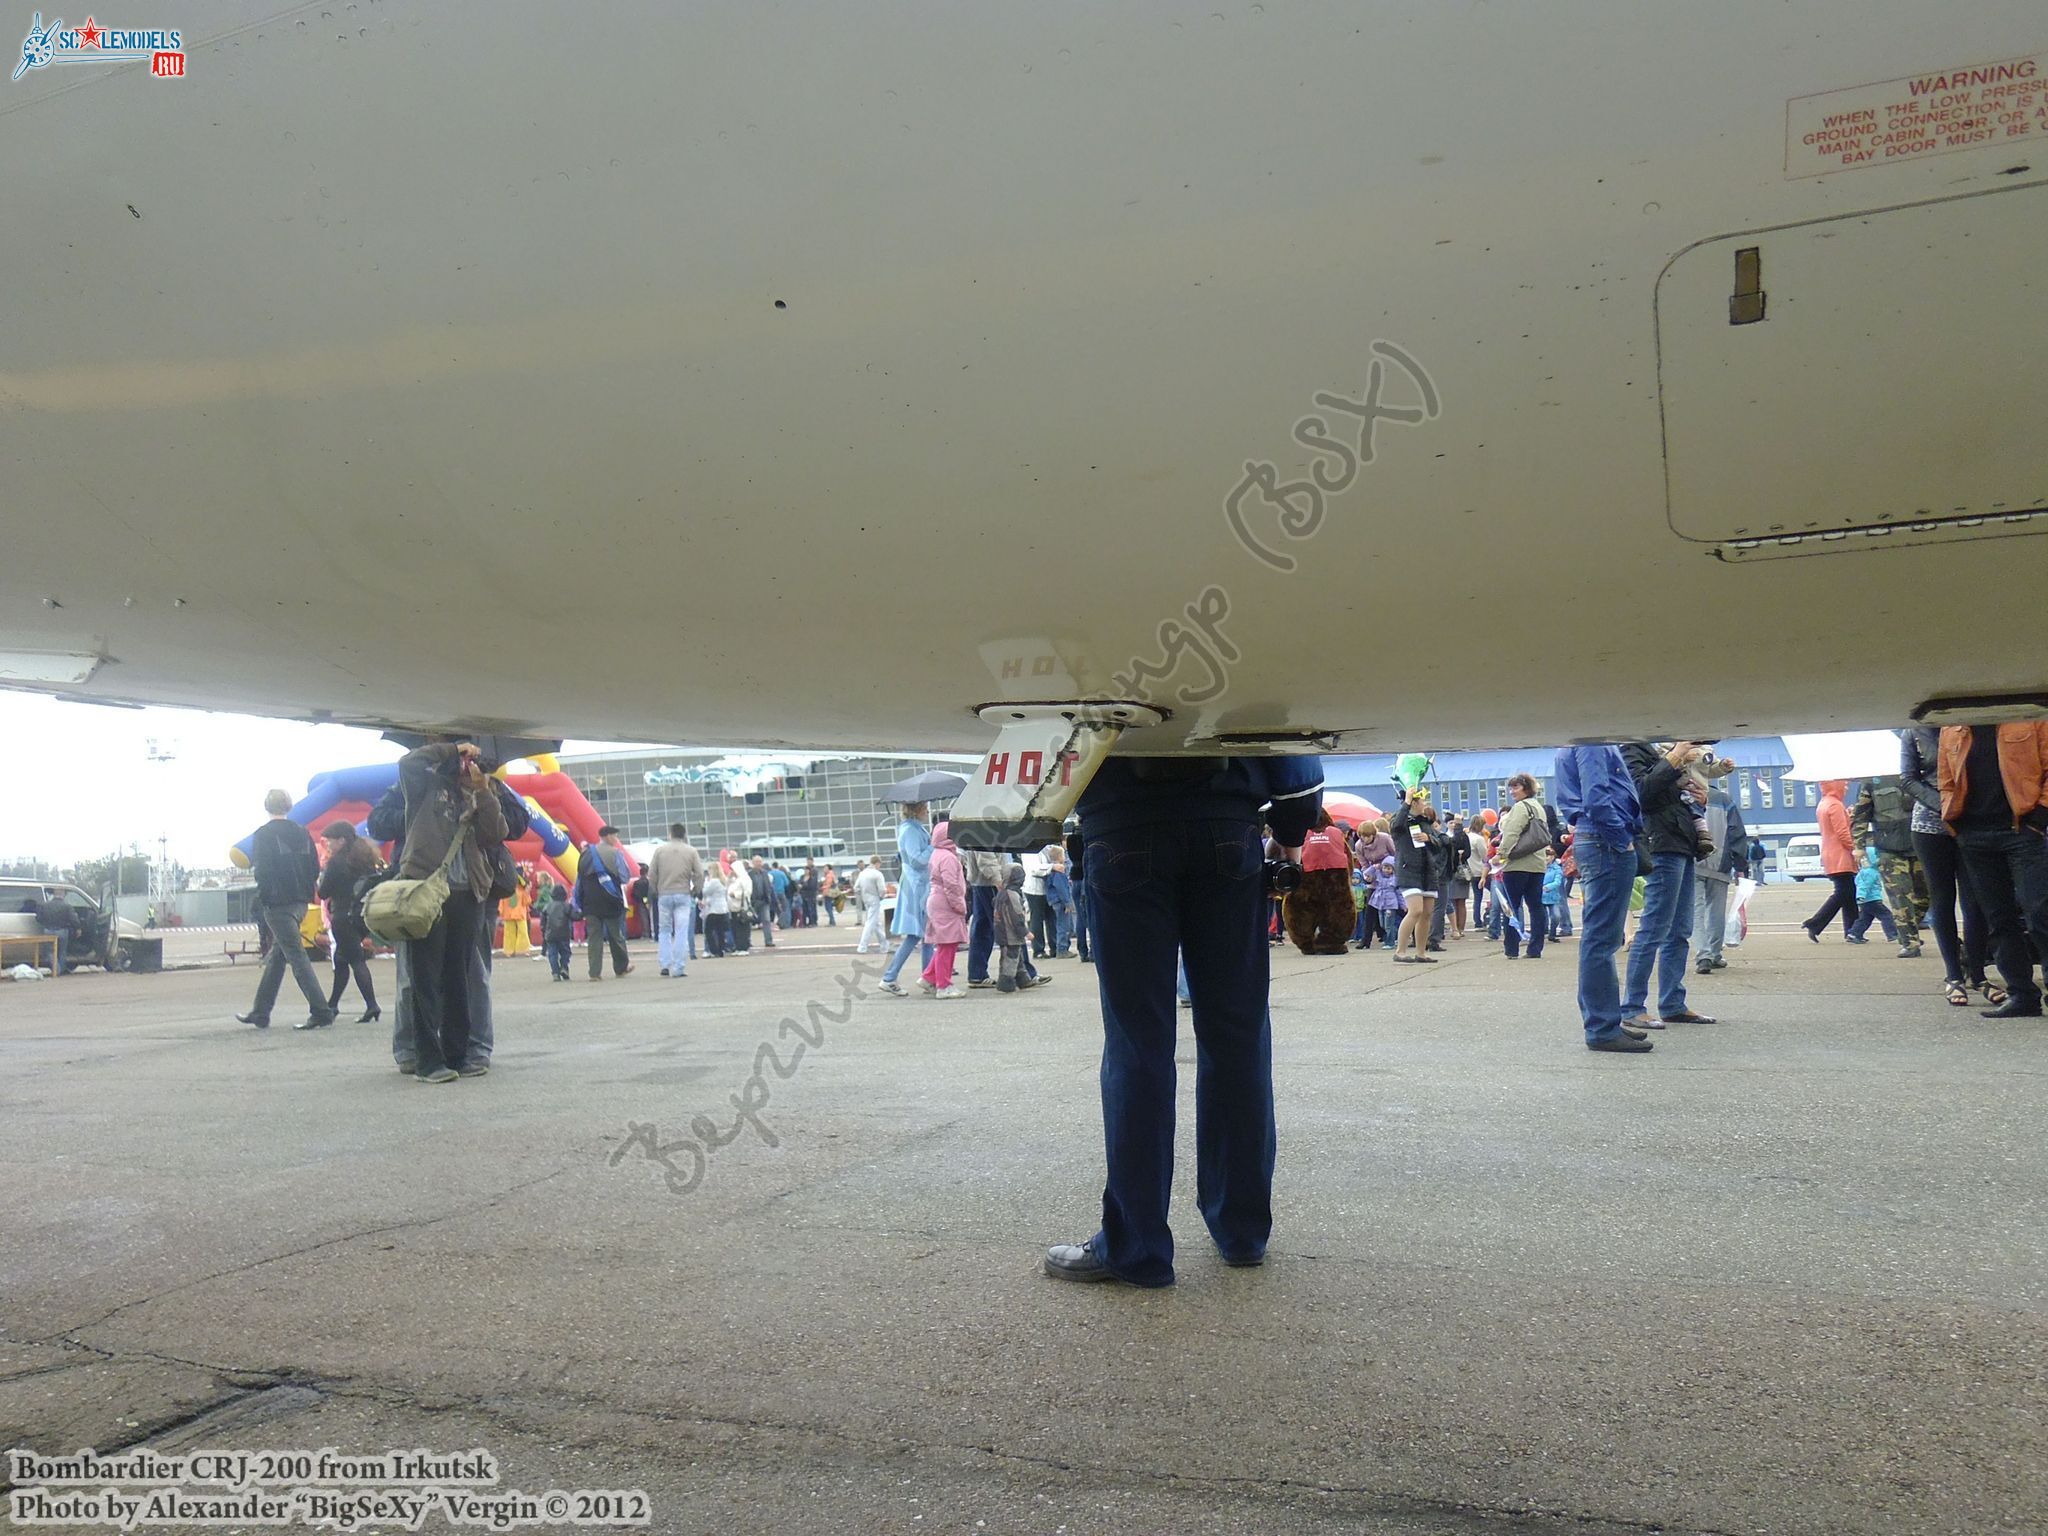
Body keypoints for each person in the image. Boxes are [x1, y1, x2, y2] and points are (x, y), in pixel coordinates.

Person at [1042, 754, 1323, 1287]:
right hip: (1227, 825)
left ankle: (1136, 1246)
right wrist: (1290, 833)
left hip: (1120, 822)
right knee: (1237, 1035)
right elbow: (1286, 736)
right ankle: (1241, 1230)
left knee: (1136, 1042)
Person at [366, 750, 528, 1075]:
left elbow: (497, 831)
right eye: (465, 762)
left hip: (468, 892)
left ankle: (457, 1055)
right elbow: (406, 764)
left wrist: (483, 790)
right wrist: (452, 750)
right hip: (426, 891)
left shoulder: (483, 791)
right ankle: (427, 1059)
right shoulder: (422, 786)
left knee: (460, 978)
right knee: (422, 977)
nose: (468, 767)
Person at [1939, 722, 2048, 1019]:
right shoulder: (1952, 728)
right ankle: (2022, 994)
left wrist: (2040, 817)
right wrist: (1956, 824)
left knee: (2039, 913)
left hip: (2023, 830)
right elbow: (1946, 779)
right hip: (1974, 836)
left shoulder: (2028, 718)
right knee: (1999, 920)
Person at [1554, 744, 1653, 1053]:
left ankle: (1604, 1020)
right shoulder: (1592, 741)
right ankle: (1601, 1026)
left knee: (1600, 937)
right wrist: (1621, 838)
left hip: (1596, 838)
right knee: (1601, 939)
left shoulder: (1575, 743)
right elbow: (1597, 797)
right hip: (1605, 841)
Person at [1619, 742, 1718, 1030]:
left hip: (1681, 842)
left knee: (1678, 930)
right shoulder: (1632, 749)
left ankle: (1673, 1003)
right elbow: (1641, 793)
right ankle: (1633, 1006)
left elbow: (1670, 795)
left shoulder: (1659, 752)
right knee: (1654, 928)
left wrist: (1698, 800)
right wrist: (1675, 757)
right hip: (1662, 844)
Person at [1900, 727, 1993, 1008]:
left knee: (1975, 902)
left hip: (1969, 821)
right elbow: (1908, 779)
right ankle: (1954, 976)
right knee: (1942, 900)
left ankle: (1978, 974)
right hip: (1929, 825)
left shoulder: (1967, 727)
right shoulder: (1913, 732)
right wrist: (1943, 804)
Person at [235, 789, 336, 1030]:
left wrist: (266, 899)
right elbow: (314, 867)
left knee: (296, 956)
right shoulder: (302, 832)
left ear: (266, 807)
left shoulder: (263, 835)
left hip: (277, 903)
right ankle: (260, 1011)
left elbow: (262, 871)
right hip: (300, 901)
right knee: (278, 957)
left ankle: (320, 1010)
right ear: (289, 806)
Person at [1850, 773, 1926, 959]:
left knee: (1924, 896)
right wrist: (1858, 846)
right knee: (1900, 896)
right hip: (1889, 849)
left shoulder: (1920, 774)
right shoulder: (1871, 781)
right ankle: (1910, 942)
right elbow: (1860, 816)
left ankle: (1906, 929)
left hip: (1920, 845)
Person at [317, 822, 382, 1022]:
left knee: (355, 960)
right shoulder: (365, 858)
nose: (328, 846)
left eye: (330, 841)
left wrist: (320, 880)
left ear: (341, 840)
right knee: (341, 960)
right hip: (362, 915)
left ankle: (372, 1005)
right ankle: (332, 1005)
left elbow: (323, 892)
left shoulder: (336, 863)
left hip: (342, 916)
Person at [1494, 774, 1551, 960]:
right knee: (1536, 906)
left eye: (1515, 787)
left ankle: (1511, 948)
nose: (1512, 792)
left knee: (1512, 906)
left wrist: (1500, 855)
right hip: (1537, 864)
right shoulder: (1538, 807)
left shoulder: (1520, 808)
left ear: (1525, 788)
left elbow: (1511, 833)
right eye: (1510, 788)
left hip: (1517, 864)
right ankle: (1535, 948)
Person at [877, 803, 933, 996]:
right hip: (915, 885)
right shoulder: (910, 830)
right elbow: (916, 860)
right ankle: (891, 977)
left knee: (923, 934)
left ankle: (926, 977)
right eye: (925, 808)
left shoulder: (913, 828)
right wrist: (933, 847)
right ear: (916, 809)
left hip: (917, 884)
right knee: (918, 934)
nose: (927, 811)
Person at [1693, 783, 1749, 974]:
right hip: (1720, 862)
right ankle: (1715, 953)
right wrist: (1741, 865)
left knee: (1696, 911)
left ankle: (1703, 954)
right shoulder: (1724, 800)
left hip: (1692, 862)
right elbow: (1737, 834)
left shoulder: (1683, 793)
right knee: (1716, 911)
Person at [1283, 809, 1355, 955]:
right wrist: (1349, 878)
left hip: (1306, 878)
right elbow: (1348, 858)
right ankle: (1332, 942)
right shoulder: (1336, 833)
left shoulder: (1299, 835)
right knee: (1338, 909)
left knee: (1301, 910)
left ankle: (1305, 942)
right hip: (1336, 878)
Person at [1387, 790, 1445, 963]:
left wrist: (1429, 838)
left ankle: (1421, 952)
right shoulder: (1401, 819)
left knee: (1427, 913)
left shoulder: (1425, 823)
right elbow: (1396, 827)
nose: (1425, 805)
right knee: (1415, 910)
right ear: (1413, 803)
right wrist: (1406, 803)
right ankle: (1400, 951)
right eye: (1422, 802)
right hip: (1408, 870)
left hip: (1428, 872)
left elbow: (1439, 845)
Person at [1800, 780, 1861, 943]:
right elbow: (1842, 833)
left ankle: (1853, 930)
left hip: (1830, 853)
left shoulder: (1824, 803)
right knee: (1844, 893)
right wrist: (1854, 848)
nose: (1846, 787)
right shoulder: (1835, 805)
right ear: (1836, 786)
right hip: (1840, 855)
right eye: (1844, 784)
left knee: (1848, 894)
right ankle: (1816, 923)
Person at [918, 819, 969, 999]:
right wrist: (960, 905)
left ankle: (929, 977)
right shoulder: (948, 857)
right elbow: (951, 885)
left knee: (944, 944)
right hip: (946, 903)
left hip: (937, 901)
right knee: (948, 945)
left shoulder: (937, 853)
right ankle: (944, 985)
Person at [576, 827, 634, 980]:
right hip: (611, 900)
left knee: (594, 937)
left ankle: (594, 973)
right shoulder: (615, 853)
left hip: (590, 902)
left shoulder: (586, 853)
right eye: (614, 836)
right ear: (607, 836)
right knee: (616, 935)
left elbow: (579, 879)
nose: (615, 839)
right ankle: (621, 968)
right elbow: (624, 877)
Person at [649, 823, 705, 979]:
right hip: (683, 893)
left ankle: (664, 964)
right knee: (681, 931)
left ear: (670, 834)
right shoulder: (691, 851)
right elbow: (699, 873)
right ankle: (679, 967)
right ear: (684, 835)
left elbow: (652, 873)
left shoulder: (660, 851)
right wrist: (696, 889)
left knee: (664, 930)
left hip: (664, 894)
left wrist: (655, 889)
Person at [964, 846, 1007, 987]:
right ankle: (1021, 972)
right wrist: (998, 880)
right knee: (1007, 926)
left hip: (980, 881)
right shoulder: (984, 829)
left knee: (982, 928)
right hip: (990, 882)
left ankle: (977, 974)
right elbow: (985, 856)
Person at [1845, 847, 1898, 944]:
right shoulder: (1870, 872)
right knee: (1886, 915)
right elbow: (1863, 886)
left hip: (1868, 900)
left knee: (1865, 918)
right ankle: (1892, 934)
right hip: (1871, 900)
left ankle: (1854, 934)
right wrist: (1860, 896)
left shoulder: (1868, 871)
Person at [994, 863, 1032, 991]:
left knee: (1016, 955)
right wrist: (1025, 932)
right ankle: (1006, 982)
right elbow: (1017, 916)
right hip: (1010, 933)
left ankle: (1022, 978)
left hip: (1002, 931)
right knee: (1011, 957)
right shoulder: (1013, 895)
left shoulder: (1002, 893)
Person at [1045, 846, 1078, 957]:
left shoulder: (1052, 871)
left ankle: (1063, 948)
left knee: (1062, 924)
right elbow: (1062, 888)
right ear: (1060, 857)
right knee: (1064, 925)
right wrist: (1068, 903)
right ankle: (1062, 949)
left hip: (1055, 900)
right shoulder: (1059, 872)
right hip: (1060, 901)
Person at [697, 859, 731, 958]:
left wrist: (705, 884)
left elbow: (705, 892)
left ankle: (713, 949)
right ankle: (720, 950)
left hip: (714, 909)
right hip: (723, 908)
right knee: (720, 931)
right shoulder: (723, 880)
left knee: (708, 930)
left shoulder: (714, 881)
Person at [854, 855, 888, 954]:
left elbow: (856, 888)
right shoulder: (878, 874)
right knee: (870, 923)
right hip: (875, 900)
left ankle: (884, 945)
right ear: (877, 863)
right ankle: (862, 946)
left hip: (866, 900)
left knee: (876, 923)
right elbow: (882, 890)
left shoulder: (862, 873)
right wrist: (882, 896)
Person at [1022, 847, 1053, 959]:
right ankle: (1038, 949)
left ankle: (1054, 947)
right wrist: (1052, 867)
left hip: (1047, 889)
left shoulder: (1046, 848)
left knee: (1052, 919)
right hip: (1033, 890)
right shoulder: (1029, 851)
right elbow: (1034, 869)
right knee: (1036, 920)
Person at [540, 886, 576, 979]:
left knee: (552, 954)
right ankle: (564, 967)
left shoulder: (547, 906)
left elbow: (543, 920)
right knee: (565, 952)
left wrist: (544, 930)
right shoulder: (566, 906)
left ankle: (555, 972)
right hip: (564, 934)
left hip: (550, 934)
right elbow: (574, 916)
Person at [498, 866, 532, 958]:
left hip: (518, 914)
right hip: (511, 914)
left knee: (522, 931)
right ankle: (510, 950)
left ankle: (521, 950)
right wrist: (500, 910)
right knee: (510, 932)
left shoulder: (521, 890)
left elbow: (526, 902)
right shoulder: (509, 890)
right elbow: (502, 900)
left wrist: (527, 892)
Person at [750, 857, 778, 947]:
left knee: (766, 921)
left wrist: (770, 897)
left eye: (760, 861)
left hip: (764, 901)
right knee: (749, 921)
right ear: (753, 863)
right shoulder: (749, 874)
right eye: (757, 862)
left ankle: (768, 941)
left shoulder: (765, 873)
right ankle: (747, 941)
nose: (759, 863)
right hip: (753, 901)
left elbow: (769, 886)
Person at [799, 859, 820, 927]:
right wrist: (801, 886)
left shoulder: (812, 878)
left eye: (807, 870)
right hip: (803, 895)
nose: (806, 871)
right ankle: (804, 923)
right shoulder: (802, 877)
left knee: (811, 909)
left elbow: (811, 886)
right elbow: (799, 884)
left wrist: (803, 885)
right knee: (804, 909)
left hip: (810, 895)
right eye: (805, 870)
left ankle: (813, 922)